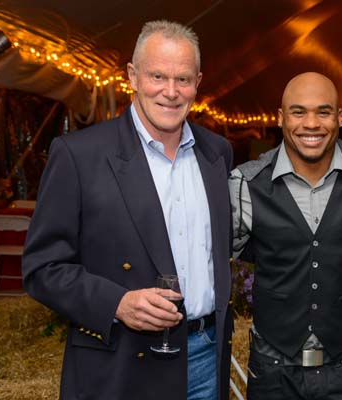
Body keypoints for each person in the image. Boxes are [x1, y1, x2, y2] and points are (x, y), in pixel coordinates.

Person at [22, 20, 233, 400]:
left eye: (183, 79)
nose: (171, 92)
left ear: (198, 82)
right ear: (133, 76)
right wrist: (116, 303)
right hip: (121, 364)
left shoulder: (216, 152)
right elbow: (42, 267)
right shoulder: (79, 155)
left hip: (205, 359)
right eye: (157, 76)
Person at [230, 72, 342, 400]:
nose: (311, 124)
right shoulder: (243, 184)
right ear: (280, 118)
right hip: (274, 371)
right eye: (298, 112)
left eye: (323, 112)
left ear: (339, 117)